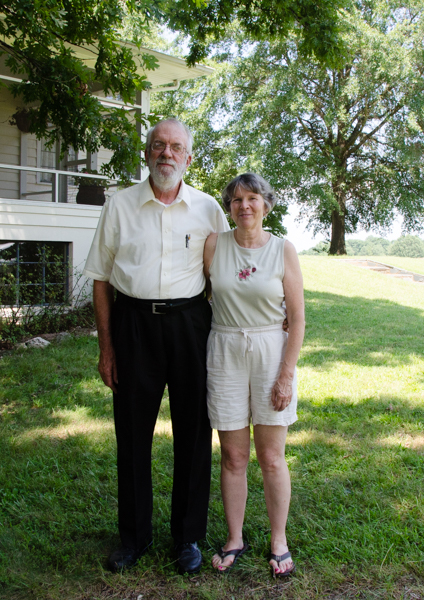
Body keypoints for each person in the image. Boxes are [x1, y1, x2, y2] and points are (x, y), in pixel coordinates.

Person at [83, 118, 229, 574]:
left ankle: (187, 538)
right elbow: (102, 279)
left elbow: (227, 272)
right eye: (158, 145)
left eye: (176, 147)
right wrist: (107, 348)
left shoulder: (208, 209)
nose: (166, 153)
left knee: (193, 433)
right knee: (131, 434)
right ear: (147, 153)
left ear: (188, 157)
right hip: (133, 326)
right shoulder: (120, 205)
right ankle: (134, 536)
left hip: (190, 325)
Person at [203, 173, 305, 577]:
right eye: (236, 200)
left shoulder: (284, 250)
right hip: (225, 349)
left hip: (269, 352)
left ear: (266, 204)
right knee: (233, 455)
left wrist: (286, 374)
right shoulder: (214, 245)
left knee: (271, 456)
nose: (244, 206)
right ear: (229, 206)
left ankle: (278, 540)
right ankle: (235, 537)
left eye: (252, 198)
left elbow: (296, 319)